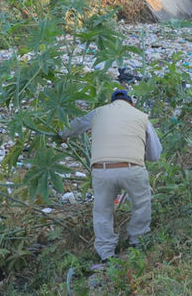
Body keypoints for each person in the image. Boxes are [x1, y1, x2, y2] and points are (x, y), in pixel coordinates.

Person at [60, 90, 162, 264]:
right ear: (131, 103)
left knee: (102, 211)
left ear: (112, 102)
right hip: (131, 167)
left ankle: (106, 254)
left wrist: (61, 135)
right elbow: (154, 154)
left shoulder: (99, 112)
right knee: (141, 203)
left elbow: (76, 125)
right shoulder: (141, 116)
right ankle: (137, 242)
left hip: (102, 169)